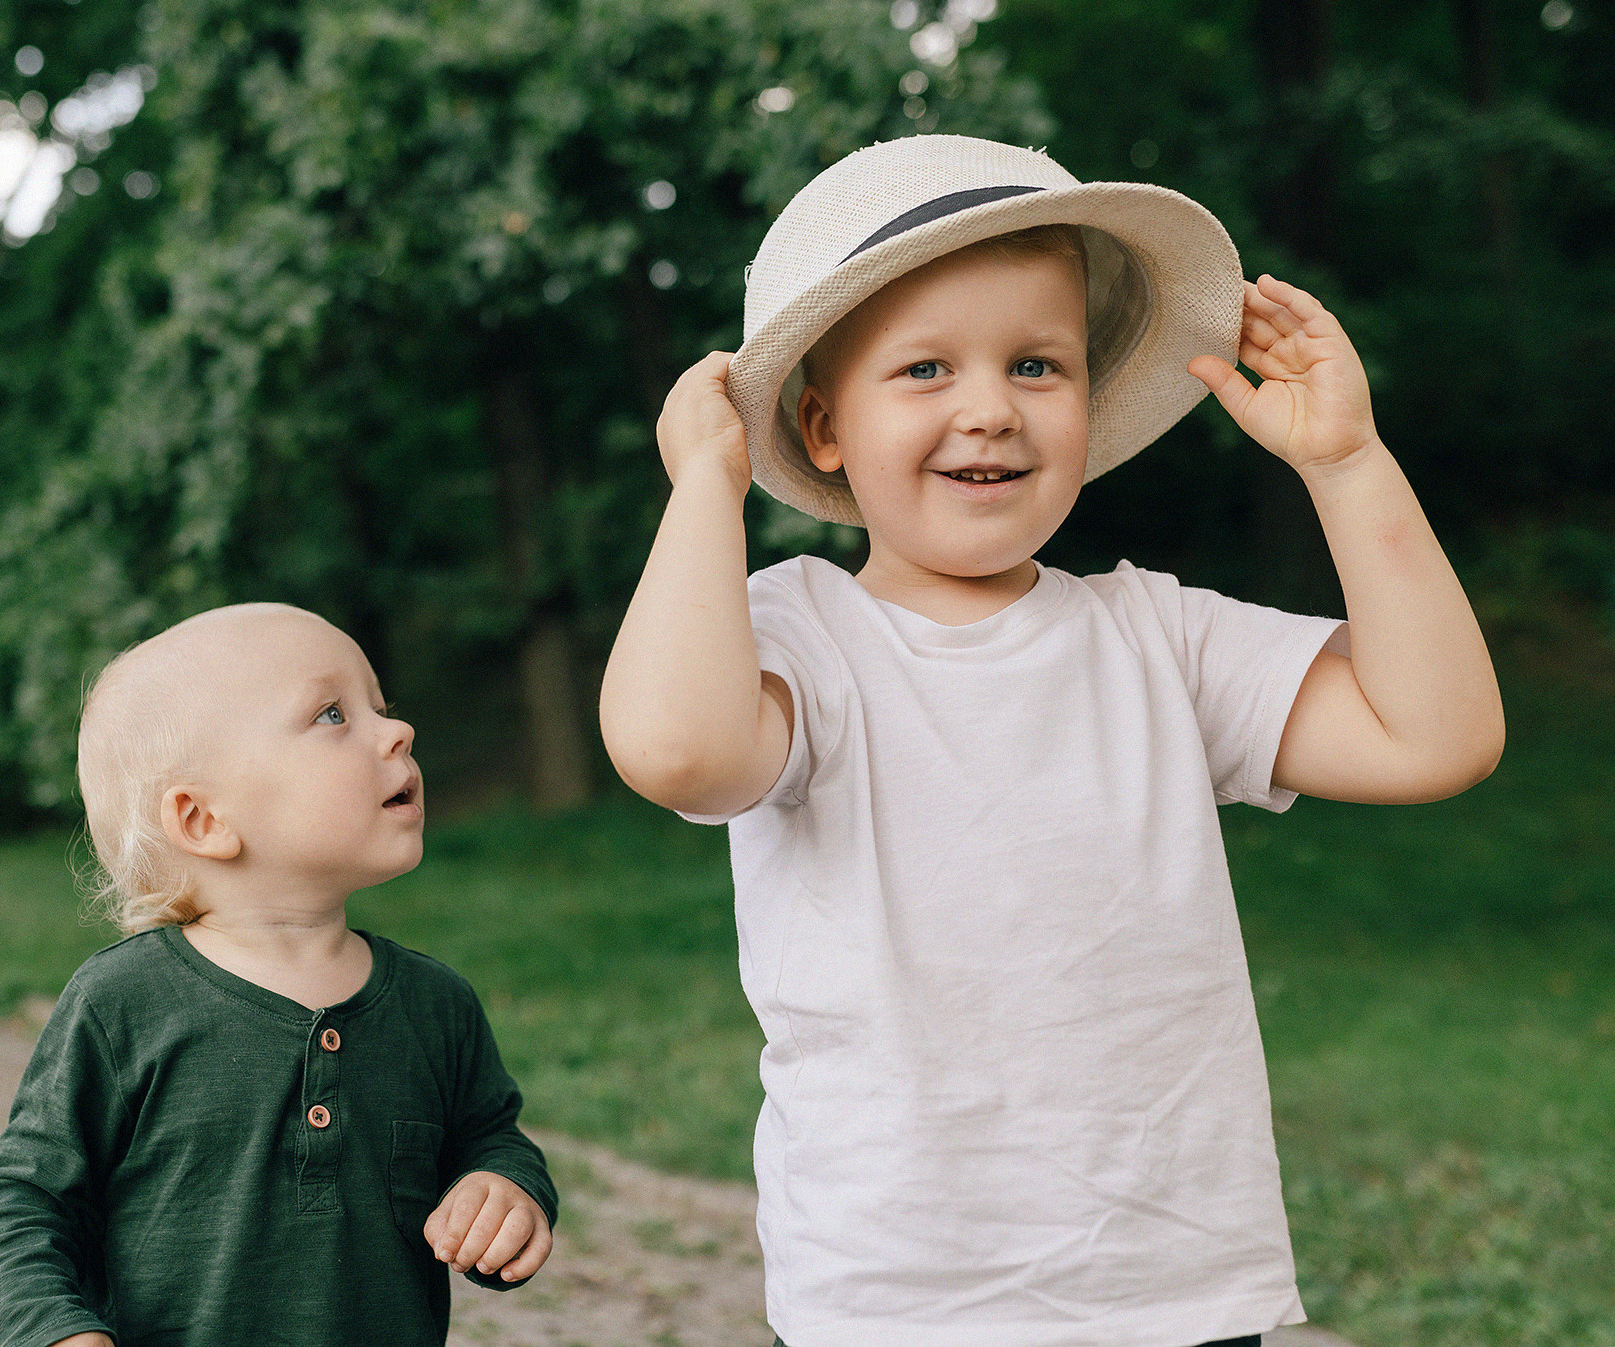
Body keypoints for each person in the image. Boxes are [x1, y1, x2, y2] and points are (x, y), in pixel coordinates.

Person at [599, 135, 1502, 1347]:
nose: (988, 408)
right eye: (923, 369)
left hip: (1174, 1292)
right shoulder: (799, 639)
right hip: (896, 1304)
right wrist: (702, 488)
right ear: (820, 428)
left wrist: (1346, 465)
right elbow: (676, 752)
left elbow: (1431, 736)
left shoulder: (1156, 637)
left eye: (1036, 363)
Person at [0, 603, 556, 1347]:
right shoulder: (124, 1004)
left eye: (382, 706)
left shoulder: (435, 1006)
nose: (397, 732)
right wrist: (52, 1332)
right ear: (205, 821)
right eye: (334, 714)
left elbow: (491, 1140)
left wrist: (503, 1193)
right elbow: (25, 1202)